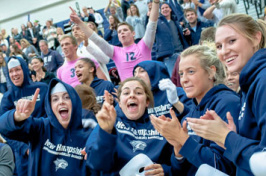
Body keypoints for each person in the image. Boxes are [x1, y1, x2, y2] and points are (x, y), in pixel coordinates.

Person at [185, 14, 266, 176]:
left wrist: (227, 137)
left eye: (232, 41)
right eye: (219, 46)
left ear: (256, 38)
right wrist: (232, 135)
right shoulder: (250, 82)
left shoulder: (263, 79)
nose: (224, 51)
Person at [150, 45, 240, 175]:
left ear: (211, 72)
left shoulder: (228, 103)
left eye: (191, 71)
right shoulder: (193, 110)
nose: (184, 80)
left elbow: (222, 167)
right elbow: (180, 171)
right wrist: (178, 148)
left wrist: (182, 138)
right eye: (181, 74)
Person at [0, 78, 92, 176]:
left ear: (74, 102)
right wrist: (17, 116)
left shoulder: (88, 134)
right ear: (50, 106)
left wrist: (95, 156)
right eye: (55, 99)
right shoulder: (41, 127)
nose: (61, 102)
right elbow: (3, 127)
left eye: (66, 97)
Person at [85, 77, 174, 175]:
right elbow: (96, 164)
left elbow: (179, 168)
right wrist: (106, 132)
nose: (132, 95)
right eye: (126, 93)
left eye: (138, 93)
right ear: (119, 102)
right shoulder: (109, 123)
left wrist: (165, 171)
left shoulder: (159, 124)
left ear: (147, 102)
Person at [70, 0, 160, 81]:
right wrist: (79, 22)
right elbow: (96, 39)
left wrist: (156, 3)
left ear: (133, 33)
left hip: (148, 90)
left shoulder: (144, 45)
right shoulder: (116, 51)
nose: (122, 33)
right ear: (118, 37)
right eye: (119, 32)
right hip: (129, 93)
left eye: (125, 30)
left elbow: (152, 25)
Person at [0, 56, 48, 176]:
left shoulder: (41, 88)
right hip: (23, 154)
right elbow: (4, 129)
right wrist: (23, 148)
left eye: (17, 69)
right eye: (11, 71)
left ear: (25, 70)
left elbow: (51, 116)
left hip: (46, 145)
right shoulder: (8, 97)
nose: (14, 74)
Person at [155, 2, 189, 76]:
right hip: (169, 56)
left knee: (184, 77)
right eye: (162, 8)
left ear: (170, 9)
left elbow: (181, 37)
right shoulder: (157, 23)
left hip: (181, 53)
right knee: (173, 79)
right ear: (160, 11)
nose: (165, 9)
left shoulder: (176, 22)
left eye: (166, 7)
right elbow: (150, 29)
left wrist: (187, 34)